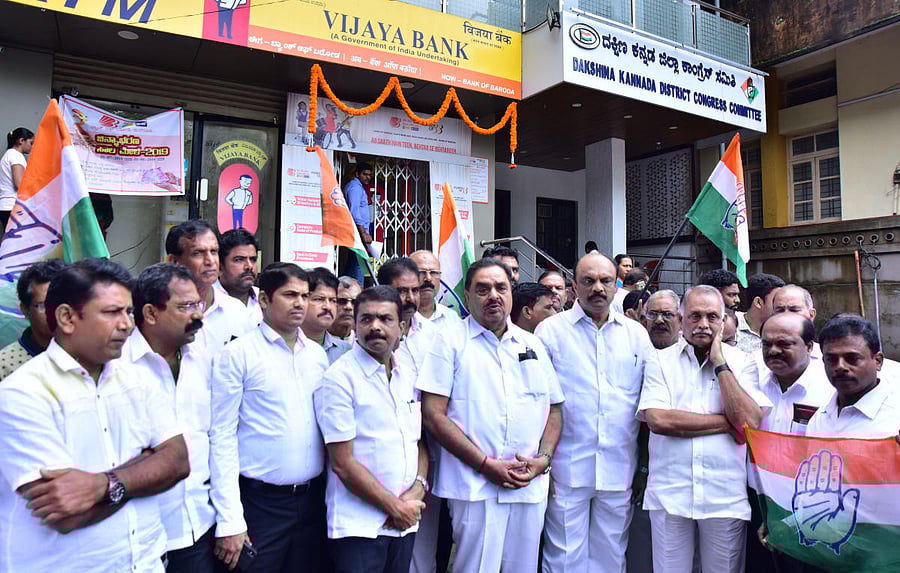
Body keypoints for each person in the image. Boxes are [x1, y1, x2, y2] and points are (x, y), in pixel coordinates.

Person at [0, 258, 190, 572]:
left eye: (128, 312)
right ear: (67, 318)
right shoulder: (23, 392)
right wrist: (148, 465)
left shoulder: (140, 379)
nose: (126, 324)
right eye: (111, 312)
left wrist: (105, 484)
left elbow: (179, 461)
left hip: (145, 563)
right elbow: (67, 514)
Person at [417, 258, 564, 573]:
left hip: (528, 482)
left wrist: (544, 459)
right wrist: (485, 465)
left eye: (500, 287)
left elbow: (553, 408)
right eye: (482, 289)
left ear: (511, 293)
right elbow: (433, 416)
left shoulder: (533, 344)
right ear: (467, 296)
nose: (493, 295)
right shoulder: (449, 342)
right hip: (474, 485)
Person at [535, 253, 658, 573]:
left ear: (616, 286)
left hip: (619, 467)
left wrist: (643, 469)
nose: (597, 288)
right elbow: (538, 404)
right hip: (565, 469)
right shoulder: (550, 332)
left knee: (611, 557)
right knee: (563, 557)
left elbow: (649, 401)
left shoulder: (636, 335)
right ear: (574, 286)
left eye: (605, 280)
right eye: (588, 281)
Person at [209, 262, 330, 571]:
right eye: (290, 295)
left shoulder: (316, 355)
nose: (300, 303)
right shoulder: (239, 355)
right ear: (264, 299)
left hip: (312, 501)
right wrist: (230, 518)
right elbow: (221, 436)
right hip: (260, 505)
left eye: (305, 296)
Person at [639, 285, 770, 573]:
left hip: (724, 497)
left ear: (724, 322)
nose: (703, 325)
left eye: (712, 317)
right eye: (695, 316)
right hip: (670, 494)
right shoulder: (659, 360)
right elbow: (660, 420)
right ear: (682, 318)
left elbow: (749, 422)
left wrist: (721, 364)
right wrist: (727, 423)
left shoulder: (743, 363)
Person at [314, 286, 428, 573]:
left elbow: (418, 442)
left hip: (404, 522)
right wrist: (394, 506)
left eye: (385, 319)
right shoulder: (339, 379)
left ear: (401, 326)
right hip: (359, 528)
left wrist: (417, 490)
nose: (375, 327)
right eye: (366, 319)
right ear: (354, 325)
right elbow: (342, 463)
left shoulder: (408, 375)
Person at [127, 263, 220, 572]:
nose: (198, 316)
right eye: (186, 307)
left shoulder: (202, 359)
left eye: (199, 305)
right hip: (138, 538)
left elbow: (217, 436)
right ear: (151, 314)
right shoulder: (120, 367)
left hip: (199, 526)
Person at [166, 220, 252, 354]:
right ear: (174, 261)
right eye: (198, 253)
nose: (210, 261)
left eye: (214, 251)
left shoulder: (236, 311)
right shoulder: (162, 313)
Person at [807, 315, 898, 437]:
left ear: (877, 361)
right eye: (832, 359)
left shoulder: (895, 417)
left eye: (852, 358)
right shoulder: (819, 419)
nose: (840, 366)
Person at [0, 259, 68, 379]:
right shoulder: (4, 367)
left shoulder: (94, 354)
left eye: (63, 303)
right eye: (44, 306)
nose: (57, 313)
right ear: (25, 310)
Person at [376, 257, 436, 375]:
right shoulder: (374, 337)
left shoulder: (432, 333)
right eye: (402, 291)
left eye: (415, 290)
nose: (411, 299)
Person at [302, 267, 351, 364]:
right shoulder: (284, 348)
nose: (328, 307)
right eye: (319, 299)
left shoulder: (346, 352)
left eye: (333, 300)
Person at [217, 228, 262, 326]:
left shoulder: (266, 300)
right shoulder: (206, 301)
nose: (249, 266)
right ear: (220, 267)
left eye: (253, 259)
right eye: (239, 260)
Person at [735, 273, 785, 354]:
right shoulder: (730, 326)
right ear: (758, 302)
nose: (781, 305)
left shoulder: (785, 331)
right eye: (776, 300)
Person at [410, 249, 463, 326]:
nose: (428, 278)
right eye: (421, 272)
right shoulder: (399, 317)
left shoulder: (452, 318)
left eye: (433, 273)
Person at [343, 163, 373, 284]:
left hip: (357, 230)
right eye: (365, 174)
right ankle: (358, 294)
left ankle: (345, 287)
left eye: (369, 175)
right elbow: (354, 212)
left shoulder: (357, 187)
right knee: (359, 264)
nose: (368, 177)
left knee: (353, 263)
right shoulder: (355, 188)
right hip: (357, 231)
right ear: (357, 174)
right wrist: (363, 232)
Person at [770, 284, 820, 358]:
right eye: (780, 310)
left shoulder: (826, 358)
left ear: (811, 315)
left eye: (794, 310)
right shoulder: (757, 363)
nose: (786, 316)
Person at [0, 127, 34, 228]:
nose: (32, 147)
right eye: (31, 143)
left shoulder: (9, 154)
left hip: (6, 206)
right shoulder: (16, 156)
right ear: (21, 141)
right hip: (13, 206)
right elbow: (19, 184)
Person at [329, 276, 362, 341]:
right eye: (341, 301)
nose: (348, 307)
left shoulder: (365, 343)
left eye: (354, 302)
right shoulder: (314, 343)